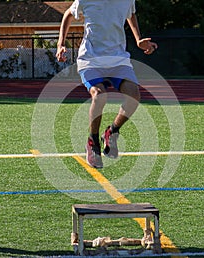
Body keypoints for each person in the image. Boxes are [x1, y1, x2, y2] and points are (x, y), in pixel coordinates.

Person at [56, 0, 157, 168]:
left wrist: (138, 39)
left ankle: (112, 131)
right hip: (90, 60)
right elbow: (68, 14)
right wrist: (60, 44)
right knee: (99, 95)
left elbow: (130, 14)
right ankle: (93, 141)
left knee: (134, 96)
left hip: (118, 59)